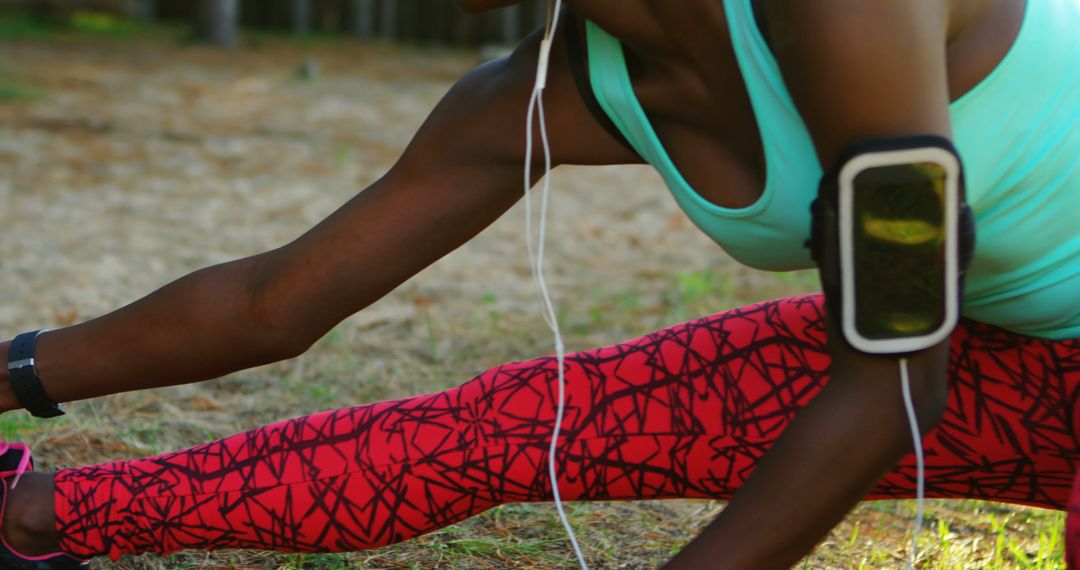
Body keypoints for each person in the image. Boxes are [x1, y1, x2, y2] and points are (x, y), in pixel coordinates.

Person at [2, 0, 1078, 568]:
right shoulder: (541, 95)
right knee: (498, 427)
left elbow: (895, 383)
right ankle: (39, 517)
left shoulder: (850, 11)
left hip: (909, 370)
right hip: (999, 368)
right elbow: (274, 303)